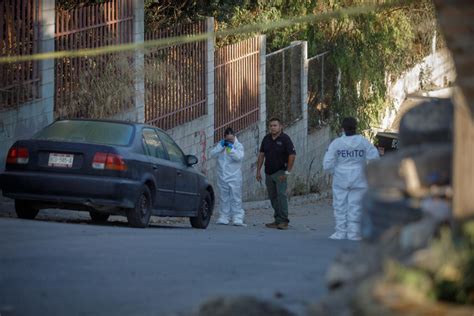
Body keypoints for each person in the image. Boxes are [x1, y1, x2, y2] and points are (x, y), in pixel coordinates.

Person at [323, 117, 379, 241]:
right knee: (356, 205)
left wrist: (334, 172)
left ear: (342, 128)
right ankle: (354, 234)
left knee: (339, 205)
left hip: (341, 178)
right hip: (359, 176)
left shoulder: (337, 143)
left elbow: (327, 163)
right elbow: (374, 158)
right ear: (356, 127)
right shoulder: (364, 142)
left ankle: (340, 232)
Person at [256, 118, 296, 230]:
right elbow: (261, 155)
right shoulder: (266, 139)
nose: (272, 128)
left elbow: (292, 156)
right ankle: (277, 220)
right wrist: (258, 171)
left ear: (280, 127)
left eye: (275, 125)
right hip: (268, 172)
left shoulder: (285, 139)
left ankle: (284, 221)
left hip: (280, 172)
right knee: (273, 197)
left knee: (281, 196)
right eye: (271, 126)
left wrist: (287, 172)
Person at [210, 127, 246, 226]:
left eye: (231, 139)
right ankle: (224, 216)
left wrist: (231, 149)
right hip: (222, 176)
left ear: (234, 136)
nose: (230, 141)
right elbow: (212, 154)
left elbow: (239, 157)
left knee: (236, 197)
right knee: (223, 197)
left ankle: (237, 217)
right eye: (228, 139)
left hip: (234, 176)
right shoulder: (221, 145)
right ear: (224, 138)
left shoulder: (238, 146)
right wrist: (220, 147)